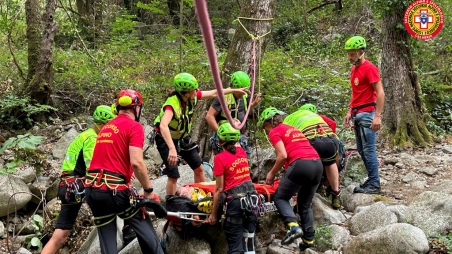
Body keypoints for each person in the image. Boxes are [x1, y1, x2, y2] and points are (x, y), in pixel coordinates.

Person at [85, 89, 164, 254]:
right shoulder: (134, 126)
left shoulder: (106, 127)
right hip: (113, 190)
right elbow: (136, 162)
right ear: (137, 108)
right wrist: (148, 191)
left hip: (92, 190)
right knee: (142, 220)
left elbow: (107, 162)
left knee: (108, 245)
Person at [153, 72, 247, 196]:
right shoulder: (172, 104)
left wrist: (234, 90)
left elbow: (214, 93)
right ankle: (171, 203)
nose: (197, 91)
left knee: (199, 168)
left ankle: (202, 197)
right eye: (194, 89)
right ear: (186, 92)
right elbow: (163, 125)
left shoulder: (191, 97)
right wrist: (172, 149)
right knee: (173, 175)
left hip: (183, 137)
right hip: (166, 140)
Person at [42, 105, 116, 254]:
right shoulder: (92, 138)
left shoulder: (85, 134)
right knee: (110, 215)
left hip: (69, 187)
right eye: (108, 126)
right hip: (77, 186)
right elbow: (92, 169)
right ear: (102, 124)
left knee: (60, 236)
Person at [259, 107, 323, 251]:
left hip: (301, 164)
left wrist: (271, 174)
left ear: (268, 123)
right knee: (304, 204)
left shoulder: (275, 131)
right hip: (317, 164)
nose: (266, 130)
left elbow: (282, 155)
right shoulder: (292, 128)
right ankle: (308, 240)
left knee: (280, 197)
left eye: (265, 127)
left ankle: (293, 227)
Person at [205, 122, 258, 254]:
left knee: (235, 248)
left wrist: (213, 214)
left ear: (219, 140)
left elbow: (219, 189)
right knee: (249, 245)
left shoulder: (220, 158)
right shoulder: (242, 152)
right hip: (252, 201)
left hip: (236, 204)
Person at [343, 36, 385, 194]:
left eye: (352, 53)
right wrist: (349, 111)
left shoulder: (370, 68)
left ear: (361, 51)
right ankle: (371, 180)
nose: (350, 57)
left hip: (368, 113)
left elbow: (380, 92)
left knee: (369, 150)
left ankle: (374, 183)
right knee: (361, 150)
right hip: (357, 113)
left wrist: (378, 116)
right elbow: (356, 93)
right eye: (348, 53)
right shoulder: (354, 69)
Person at [283, 103, 342, 209]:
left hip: (312, 141)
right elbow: (332, 123)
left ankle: (302, 200)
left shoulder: (287, 120)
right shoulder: (314, 115)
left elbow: (289, 145)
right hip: (331, 140)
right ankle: (336, 194)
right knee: (330, 163)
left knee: (307, 165)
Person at [205, 71, 261, 158]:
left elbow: (241, 109)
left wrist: (253, 104)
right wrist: (220, 133)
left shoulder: (243, 96)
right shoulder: (223, 97)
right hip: (226, 138)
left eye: (245, 90)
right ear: (234, 87)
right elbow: (209, 116)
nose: (243, 93)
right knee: (227, 162)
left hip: (241, 136)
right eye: (241, 90)